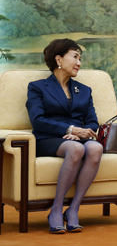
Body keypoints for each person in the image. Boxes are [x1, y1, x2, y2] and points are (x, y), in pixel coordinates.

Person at [26, 38, 103, 234]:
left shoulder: (84, 91)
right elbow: (38, 120)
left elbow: (93, 121)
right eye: (75, 57)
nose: (79, 63)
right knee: (75, 148)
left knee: (95, 147)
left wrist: (85, 132)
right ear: (59, 59)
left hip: (78, 138)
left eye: (80, 58)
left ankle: (74, 209)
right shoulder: (37, 87)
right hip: (48, 138)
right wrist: (69, 130)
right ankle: (56, 209)